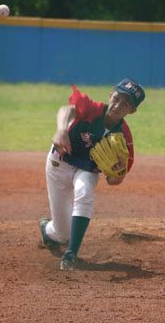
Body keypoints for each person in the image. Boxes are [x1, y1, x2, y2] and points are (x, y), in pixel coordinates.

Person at [39, 78, 145, 270]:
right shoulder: (93, 109)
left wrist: (119, 173)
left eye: (126, 103)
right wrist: (61, 131)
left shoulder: (124, 138)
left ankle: (71, 254)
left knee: (85, 193)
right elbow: (67, 109)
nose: (119, 105)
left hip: (86, 170)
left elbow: (113, 181)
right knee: (62, 234)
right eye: (118, 98)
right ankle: (47, 230)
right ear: (110, 95)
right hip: (59, 164)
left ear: (132, 111)